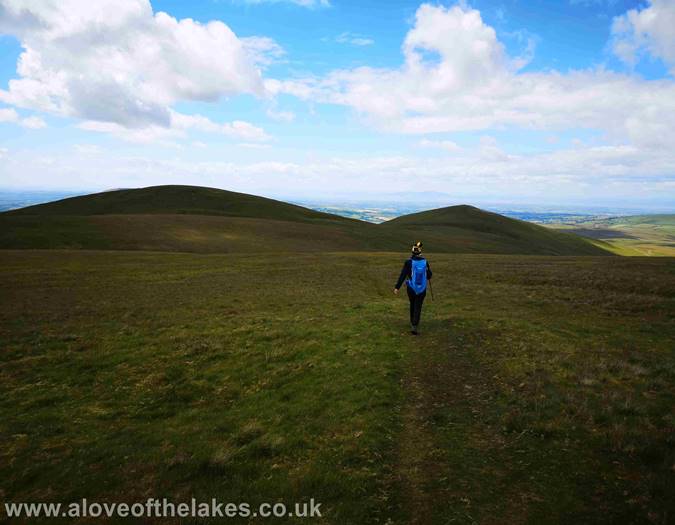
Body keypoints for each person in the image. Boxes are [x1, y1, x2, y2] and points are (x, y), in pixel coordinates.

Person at [393, 241, 432, 335]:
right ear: (420, 252)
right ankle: (415, 325)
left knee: (412, 304)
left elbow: (403, 275)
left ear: (412, 252)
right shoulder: (425, 262)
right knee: (418, 306)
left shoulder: (408, 262)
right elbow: (429, 276)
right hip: (422, 289)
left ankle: (412, 322)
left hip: (411, 288)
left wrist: (397, 287)